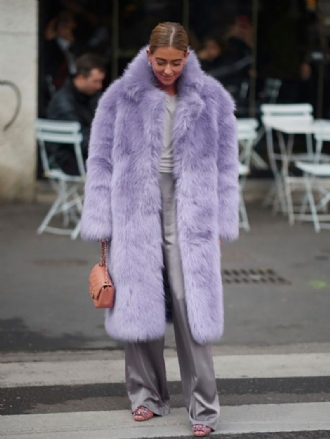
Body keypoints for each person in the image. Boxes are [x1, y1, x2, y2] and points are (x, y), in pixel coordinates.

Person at [80, 22, 239, 437]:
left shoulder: (213, 99)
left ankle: (203, 408)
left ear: (187, 58)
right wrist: (101, 220)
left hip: (191, 209)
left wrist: (221, 219)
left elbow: (226, 168)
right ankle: (146, 395)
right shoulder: (119, 97)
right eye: (160, 62)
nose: (167, 70)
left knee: (191, 310)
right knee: (138, 303)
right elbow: (99, 164)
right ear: (147, 55)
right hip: (134, 208)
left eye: (175, 62)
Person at [47, 53, 105, 175]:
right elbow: (82, 139)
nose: (99, 86)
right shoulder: (63, 102)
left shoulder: (92, 96)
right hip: (70, 160)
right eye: (95, 81)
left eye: (100, 81)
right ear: (80, 78)